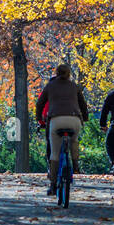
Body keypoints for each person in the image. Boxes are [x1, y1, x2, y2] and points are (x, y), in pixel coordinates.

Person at [36, 63, 89, 196]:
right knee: (74, 140)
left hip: (56, 120)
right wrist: (85, 117)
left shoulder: (50, 86)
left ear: (57, 73)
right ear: (69, 74)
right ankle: (75, 164)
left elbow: (40, 104)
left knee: (54, 153)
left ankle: (53, 185)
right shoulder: (74, 86)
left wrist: (39, 118)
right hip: (74, 119)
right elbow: (83, 104)